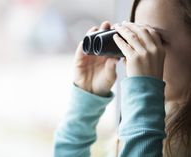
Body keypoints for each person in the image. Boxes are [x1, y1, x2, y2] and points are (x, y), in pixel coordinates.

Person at [53, 0, 191, 156]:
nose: (139, 54)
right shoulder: (155, 123)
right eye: (135, 37)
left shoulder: (146, 124)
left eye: (155, 39)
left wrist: (143, 93)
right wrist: (85, 104)